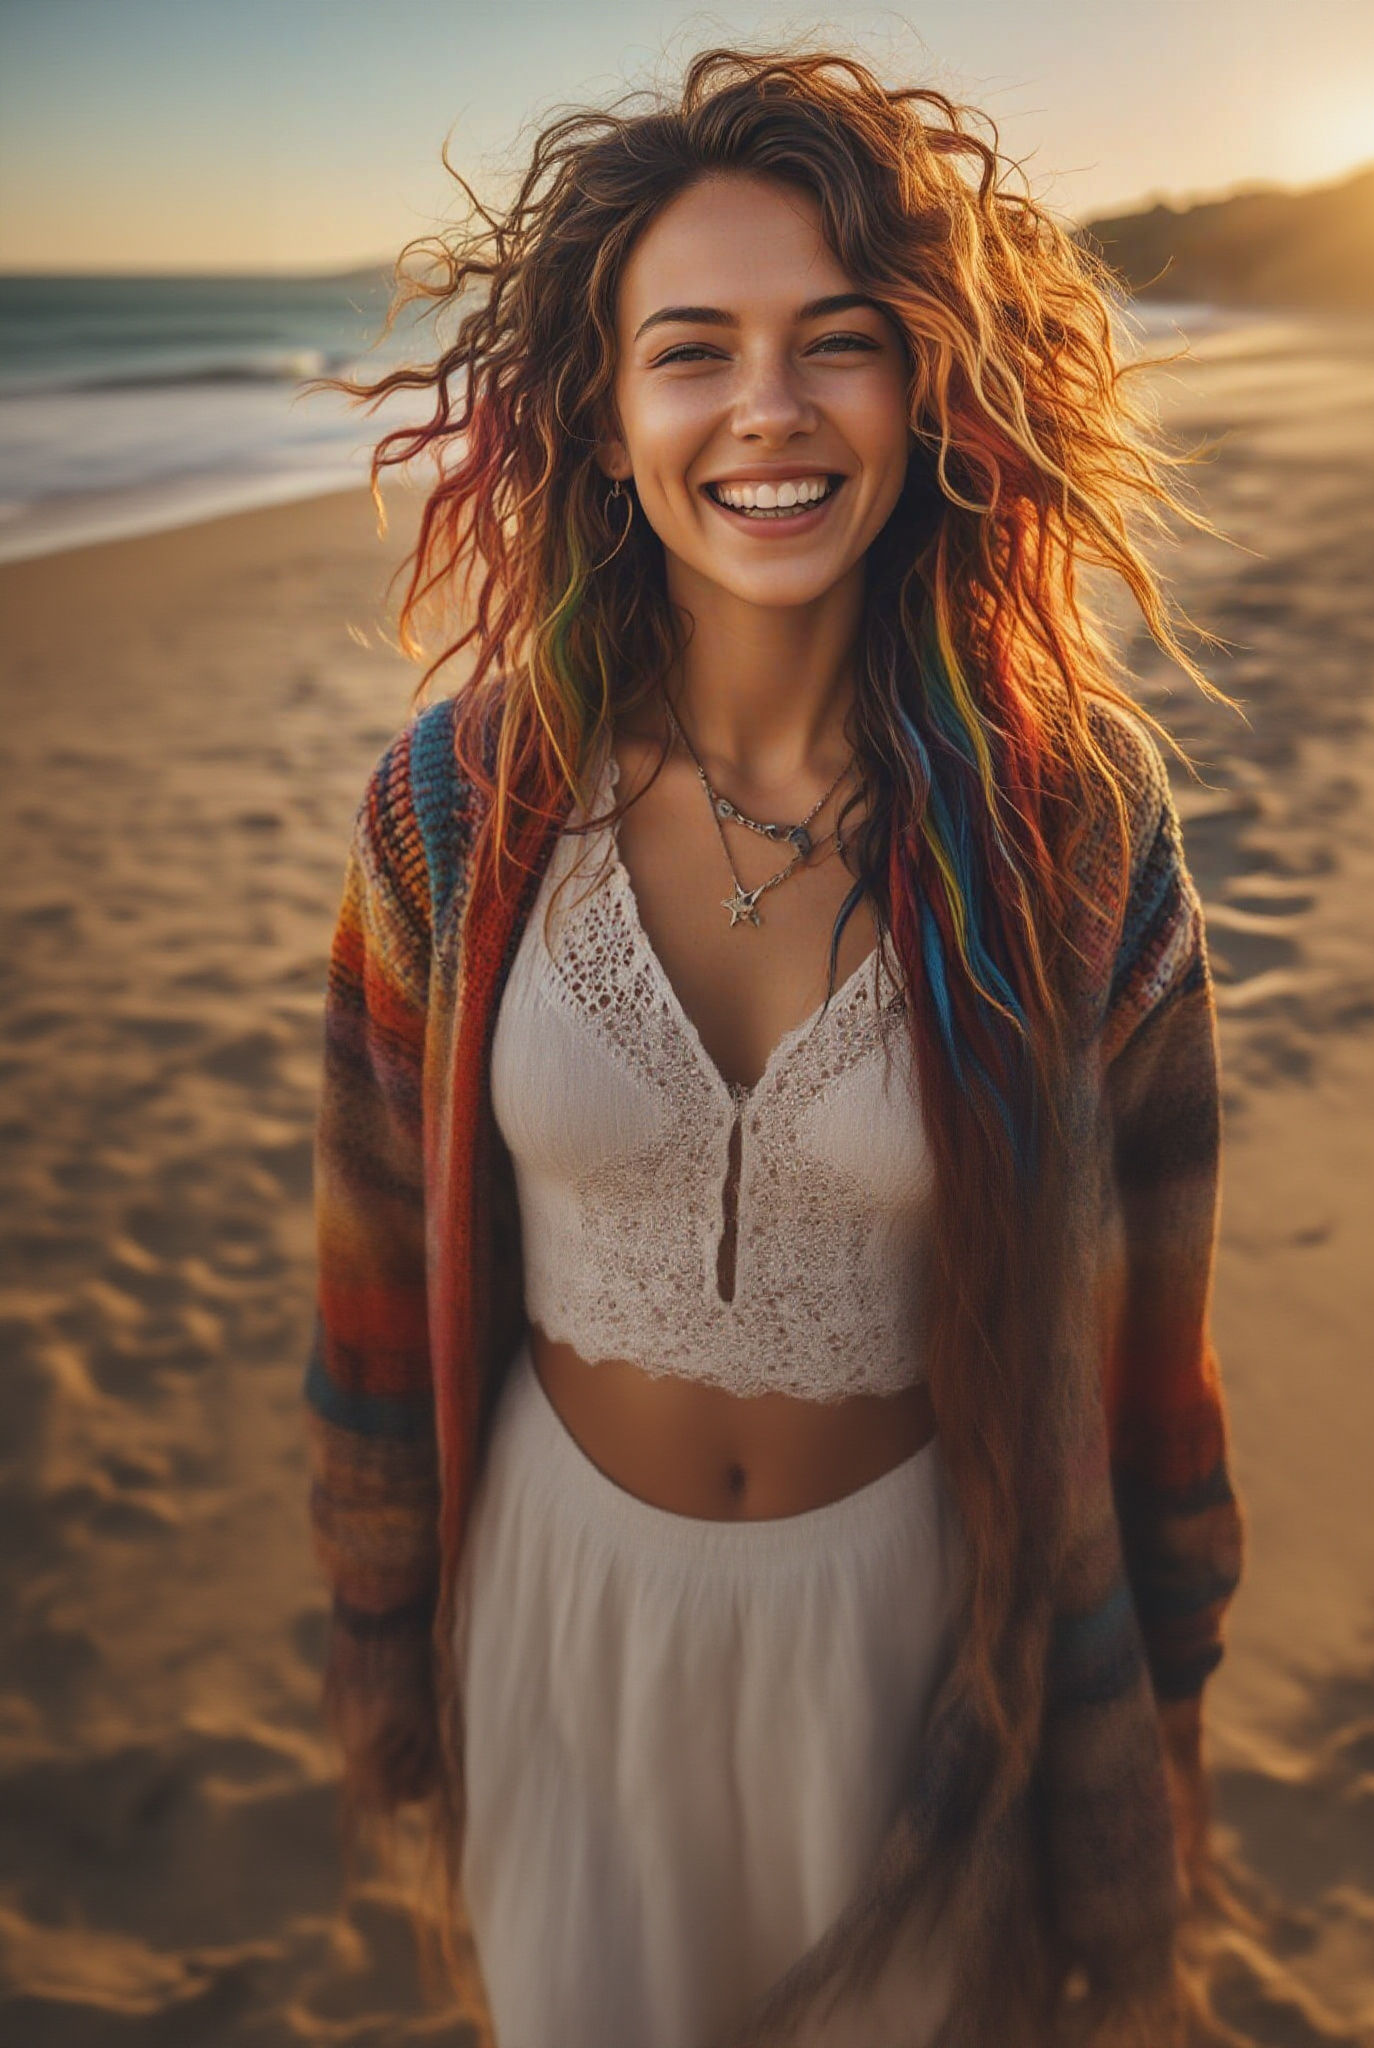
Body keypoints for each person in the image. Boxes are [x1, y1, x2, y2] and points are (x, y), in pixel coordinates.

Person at [306, 45, 1243, 2048]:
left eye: (838, 341)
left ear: (928, 390)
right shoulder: (455, 816)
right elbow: (375, 1276)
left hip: (920, 1647)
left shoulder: (1075, 827)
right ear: (606, 411)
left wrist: (1164, 1697)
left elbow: (1154, 1325)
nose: (767, 408)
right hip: (563, 1627)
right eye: (692, 349)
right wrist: (387, 1642)